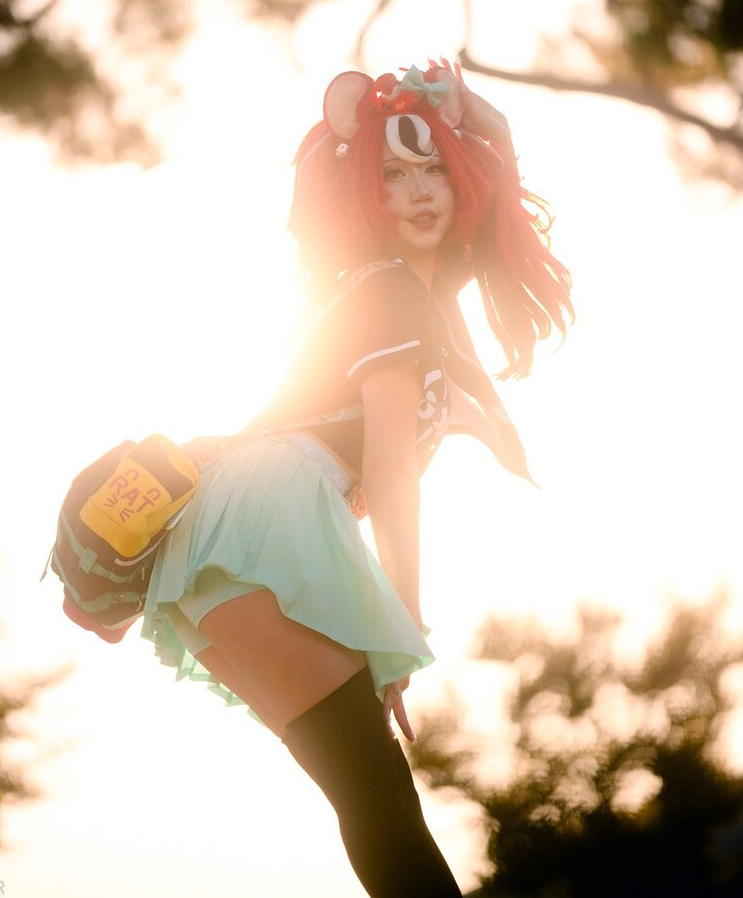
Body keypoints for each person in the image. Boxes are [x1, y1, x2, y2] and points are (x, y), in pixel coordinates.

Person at [141, 58, 573, 897]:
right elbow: (391, 470)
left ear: (464, 180)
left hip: (235, 543)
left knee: (372, 797)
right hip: (265, 529)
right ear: (365, 196)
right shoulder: (391, 295)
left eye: (435, 169)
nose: (419, 192)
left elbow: (491, 224)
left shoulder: (411, 295)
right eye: (393, 176)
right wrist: (401, 622)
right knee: (378, 800)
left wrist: (491, 131)